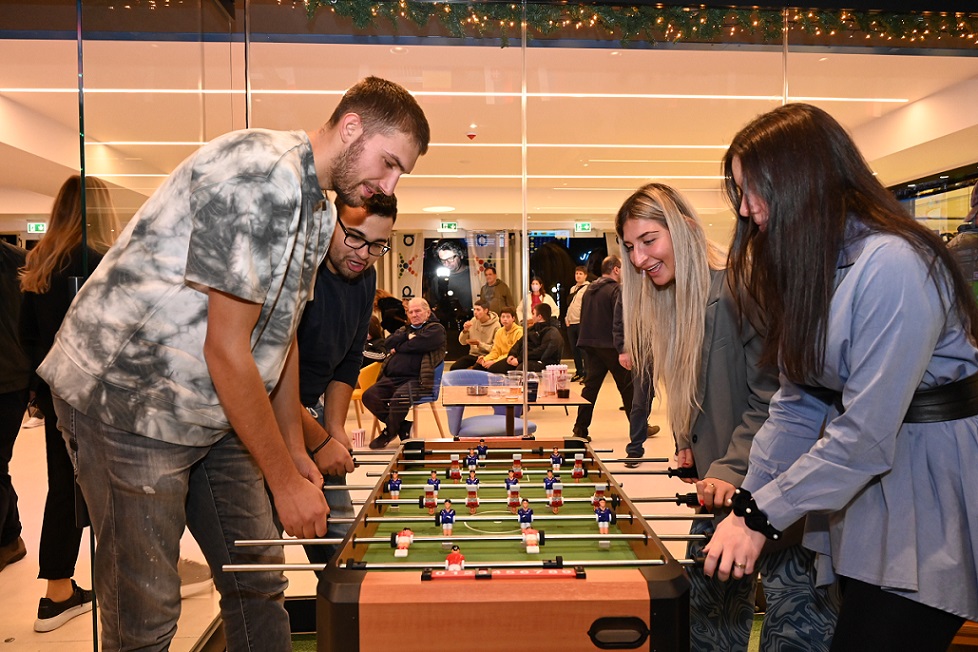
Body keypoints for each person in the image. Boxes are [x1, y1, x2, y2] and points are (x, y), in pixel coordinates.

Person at [37, 76, 430, 651]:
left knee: (258, 576)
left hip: (212, 407)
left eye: (401, 174)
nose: (389, 184)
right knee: (147, 614)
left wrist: (295, 452)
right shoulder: (261, 175)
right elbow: (226, 349)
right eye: (389, 162)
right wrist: (283, 482)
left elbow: (279, 340)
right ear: (352, 128)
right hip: (129, 402)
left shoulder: (316, 206)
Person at [702, 103, 978, 652]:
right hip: (870, 487)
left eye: (755, 190)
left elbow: (866, 435)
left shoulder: (894, 262)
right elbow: (796, 404)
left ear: (804, 180)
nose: (748, 209)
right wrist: (749, 502)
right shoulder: (819, 264)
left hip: (927, 486)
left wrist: (760, 516)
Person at [617, 181, 838, 650]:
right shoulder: (673, 301)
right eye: (631, 247)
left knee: (797, 630)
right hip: (717, 492)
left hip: (778, 489)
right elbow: (699, 387)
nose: (639, 259)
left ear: (685, 229)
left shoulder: (742, 286)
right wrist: (686, 441)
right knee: (702, 630)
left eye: (649, 240)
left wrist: (729, 468)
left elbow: (777, 399)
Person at [17, 176, 119, 631]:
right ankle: (120, 583)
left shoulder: (39, 264)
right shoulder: (103, 261)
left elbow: (28, 337)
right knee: (113, 488)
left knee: (62, 486)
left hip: (57, 391)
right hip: (101, 395)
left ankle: (57, 590)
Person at [295, 191, 397, 572]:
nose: (363, 254)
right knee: (261, 553)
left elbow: (349, 360)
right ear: (330, 223)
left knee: (340, 544)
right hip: (263, 416)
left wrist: (334, 427)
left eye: (377, 245)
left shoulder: (366, 278)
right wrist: (319, 441)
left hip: (311, 411)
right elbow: (267, 381)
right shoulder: (299, 270)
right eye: (354, 237)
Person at [364, 296, 447, 449]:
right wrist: (406, 337)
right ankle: (402, 426)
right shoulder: (405, 329)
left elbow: (418, 345)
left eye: (418, 311)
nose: (414, 315)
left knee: (399, 398)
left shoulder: (436, 329)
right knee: (369, 396)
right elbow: (388, 343)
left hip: (418, 380)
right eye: (410, 312)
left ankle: (388, 432)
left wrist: (400, 346)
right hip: (392, 378)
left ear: (428, 312)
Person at [572, 255, 633, 441]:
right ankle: (639, 428)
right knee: (628, 387)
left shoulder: (590, 289)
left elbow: (584, 316)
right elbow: (619, 320)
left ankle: (580, 429)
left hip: (591, 344)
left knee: (590, 388)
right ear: (616, 269)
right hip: (611, 345)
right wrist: (623, 348)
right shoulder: (616, 290)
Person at [0, 240, 30, 576]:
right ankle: (10, 538)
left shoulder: (20, 262)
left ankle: (9, 538)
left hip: (9, 382)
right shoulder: (20, 261)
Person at [487, 303, 562, 373]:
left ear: (539, 317)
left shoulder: (551, 332)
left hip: (539, 361)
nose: (532, 317)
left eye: (533, 314)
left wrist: (519, 359)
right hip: (523, 358)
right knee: (494, 368)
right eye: (503, 317)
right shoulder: (531, 329)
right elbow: (519, 343)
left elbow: (541, 352)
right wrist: (512, 354)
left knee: (520, 370)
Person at [452, 299, 499, 370]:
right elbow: (462, 342)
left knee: (476, 370)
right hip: (473, 355)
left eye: (478, 310)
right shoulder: (473, 321)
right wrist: (465, 331)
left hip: (487, 356)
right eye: (474, 309)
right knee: (454, 368)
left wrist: (479, 344)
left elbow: (495, 349)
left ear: (486, 311)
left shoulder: (496, 325)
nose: (475, 312)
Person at [564, 266, 590, 381]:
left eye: (580, 274)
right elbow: (570, 305)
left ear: (585, 275)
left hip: (581, 322)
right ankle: (579, 371)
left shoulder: (588, 288)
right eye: (576, 273)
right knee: (574, 349)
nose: (578, 276)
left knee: (583, 349)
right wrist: (566, 318)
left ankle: (587, 373)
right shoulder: (573, 288)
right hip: (571, 322)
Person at [477, 306, 522, 370]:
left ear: (513, 318)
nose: (505, 319)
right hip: (499, 358)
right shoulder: (499, 332)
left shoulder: (519, 332)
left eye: (508, 317)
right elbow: (495, 351)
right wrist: (485, 359)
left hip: (511, 359)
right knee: (478, 366)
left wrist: (494, 361)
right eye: (503, 317)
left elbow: (513, 353)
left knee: (492, 368)